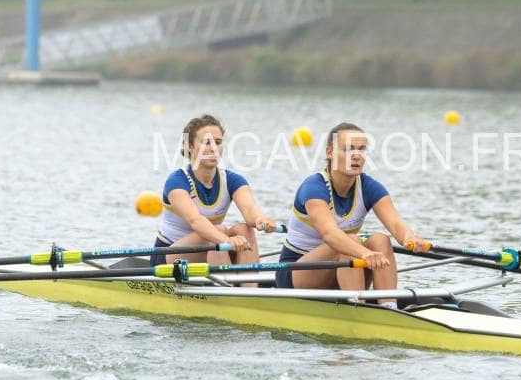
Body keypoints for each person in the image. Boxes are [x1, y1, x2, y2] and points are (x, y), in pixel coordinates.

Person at [275, 122, 427, 309]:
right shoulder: (313, 187)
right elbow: (330, 234)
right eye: (348, 149)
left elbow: (395, 223)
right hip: (296, 274)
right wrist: (364, 253)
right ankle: (358, 309)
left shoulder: (369, 187)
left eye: (361, 149)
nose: (356, 155)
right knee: (350, 241)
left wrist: (409, 238)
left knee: (380, 240)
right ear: (330, 152)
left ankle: (389, 307)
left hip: (341, 268)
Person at [152, 114, 277, 283]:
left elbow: (249, 210)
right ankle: (225, 288)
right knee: (218, 231)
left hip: (211, 248)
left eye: (217, 142)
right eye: (206, 143)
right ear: (190, 147)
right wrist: (226, 240)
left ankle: (249, 290)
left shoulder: (233, 180)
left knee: (244, 229)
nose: (213, 149)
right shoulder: (177, 181)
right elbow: (195, 221)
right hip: (168, 258)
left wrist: (261, 219)